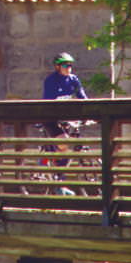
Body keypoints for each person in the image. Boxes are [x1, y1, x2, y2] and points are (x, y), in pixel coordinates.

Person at [41, 52, 87, 185]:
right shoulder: (51, 81)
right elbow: (49, 102)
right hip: (51, 118)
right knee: (64, 142)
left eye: (70, 65)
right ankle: (54, 174)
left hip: (65, 118)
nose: (69, 68)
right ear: (57, 67)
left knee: (67, 146)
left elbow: (82, 97)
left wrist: (90, 114)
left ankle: (59, 176)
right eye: (66, 66)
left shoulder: (73, 79)